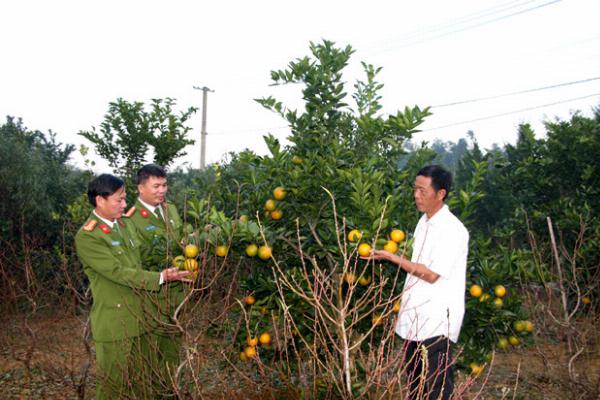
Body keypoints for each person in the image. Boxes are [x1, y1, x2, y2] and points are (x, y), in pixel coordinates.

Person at [75, 174, 191, 399]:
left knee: (145, 383)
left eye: (125, 198)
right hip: (116, 322)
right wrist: (160, 277)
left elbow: (140, 260)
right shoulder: (88, 237)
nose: (124, 204)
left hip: (141, 317)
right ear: (100, 200)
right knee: (112, 387)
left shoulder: (124, 225)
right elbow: (117, 272)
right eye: (119, 200)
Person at [365, 165, 469, 400]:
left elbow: (431, 274)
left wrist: (393, 257)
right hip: (415, 318)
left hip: (436, 322)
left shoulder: (452, 230)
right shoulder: (423, 223)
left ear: (440, 194)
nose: (416, 195)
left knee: (435, 390)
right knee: (415, 388)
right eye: (415, 190)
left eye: (423, 191)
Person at [124, 164, 185, 390]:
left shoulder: (171, 210)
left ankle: (170, 392)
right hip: (149, 299)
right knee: (148, 358)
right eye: (156, 186)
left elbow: (180, 244)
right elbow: (133, 262)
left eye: (165, 185)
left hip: (176, 296)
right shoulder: (130, 219)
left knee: (172, 355)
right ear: (141, 188)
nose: (162, 190)